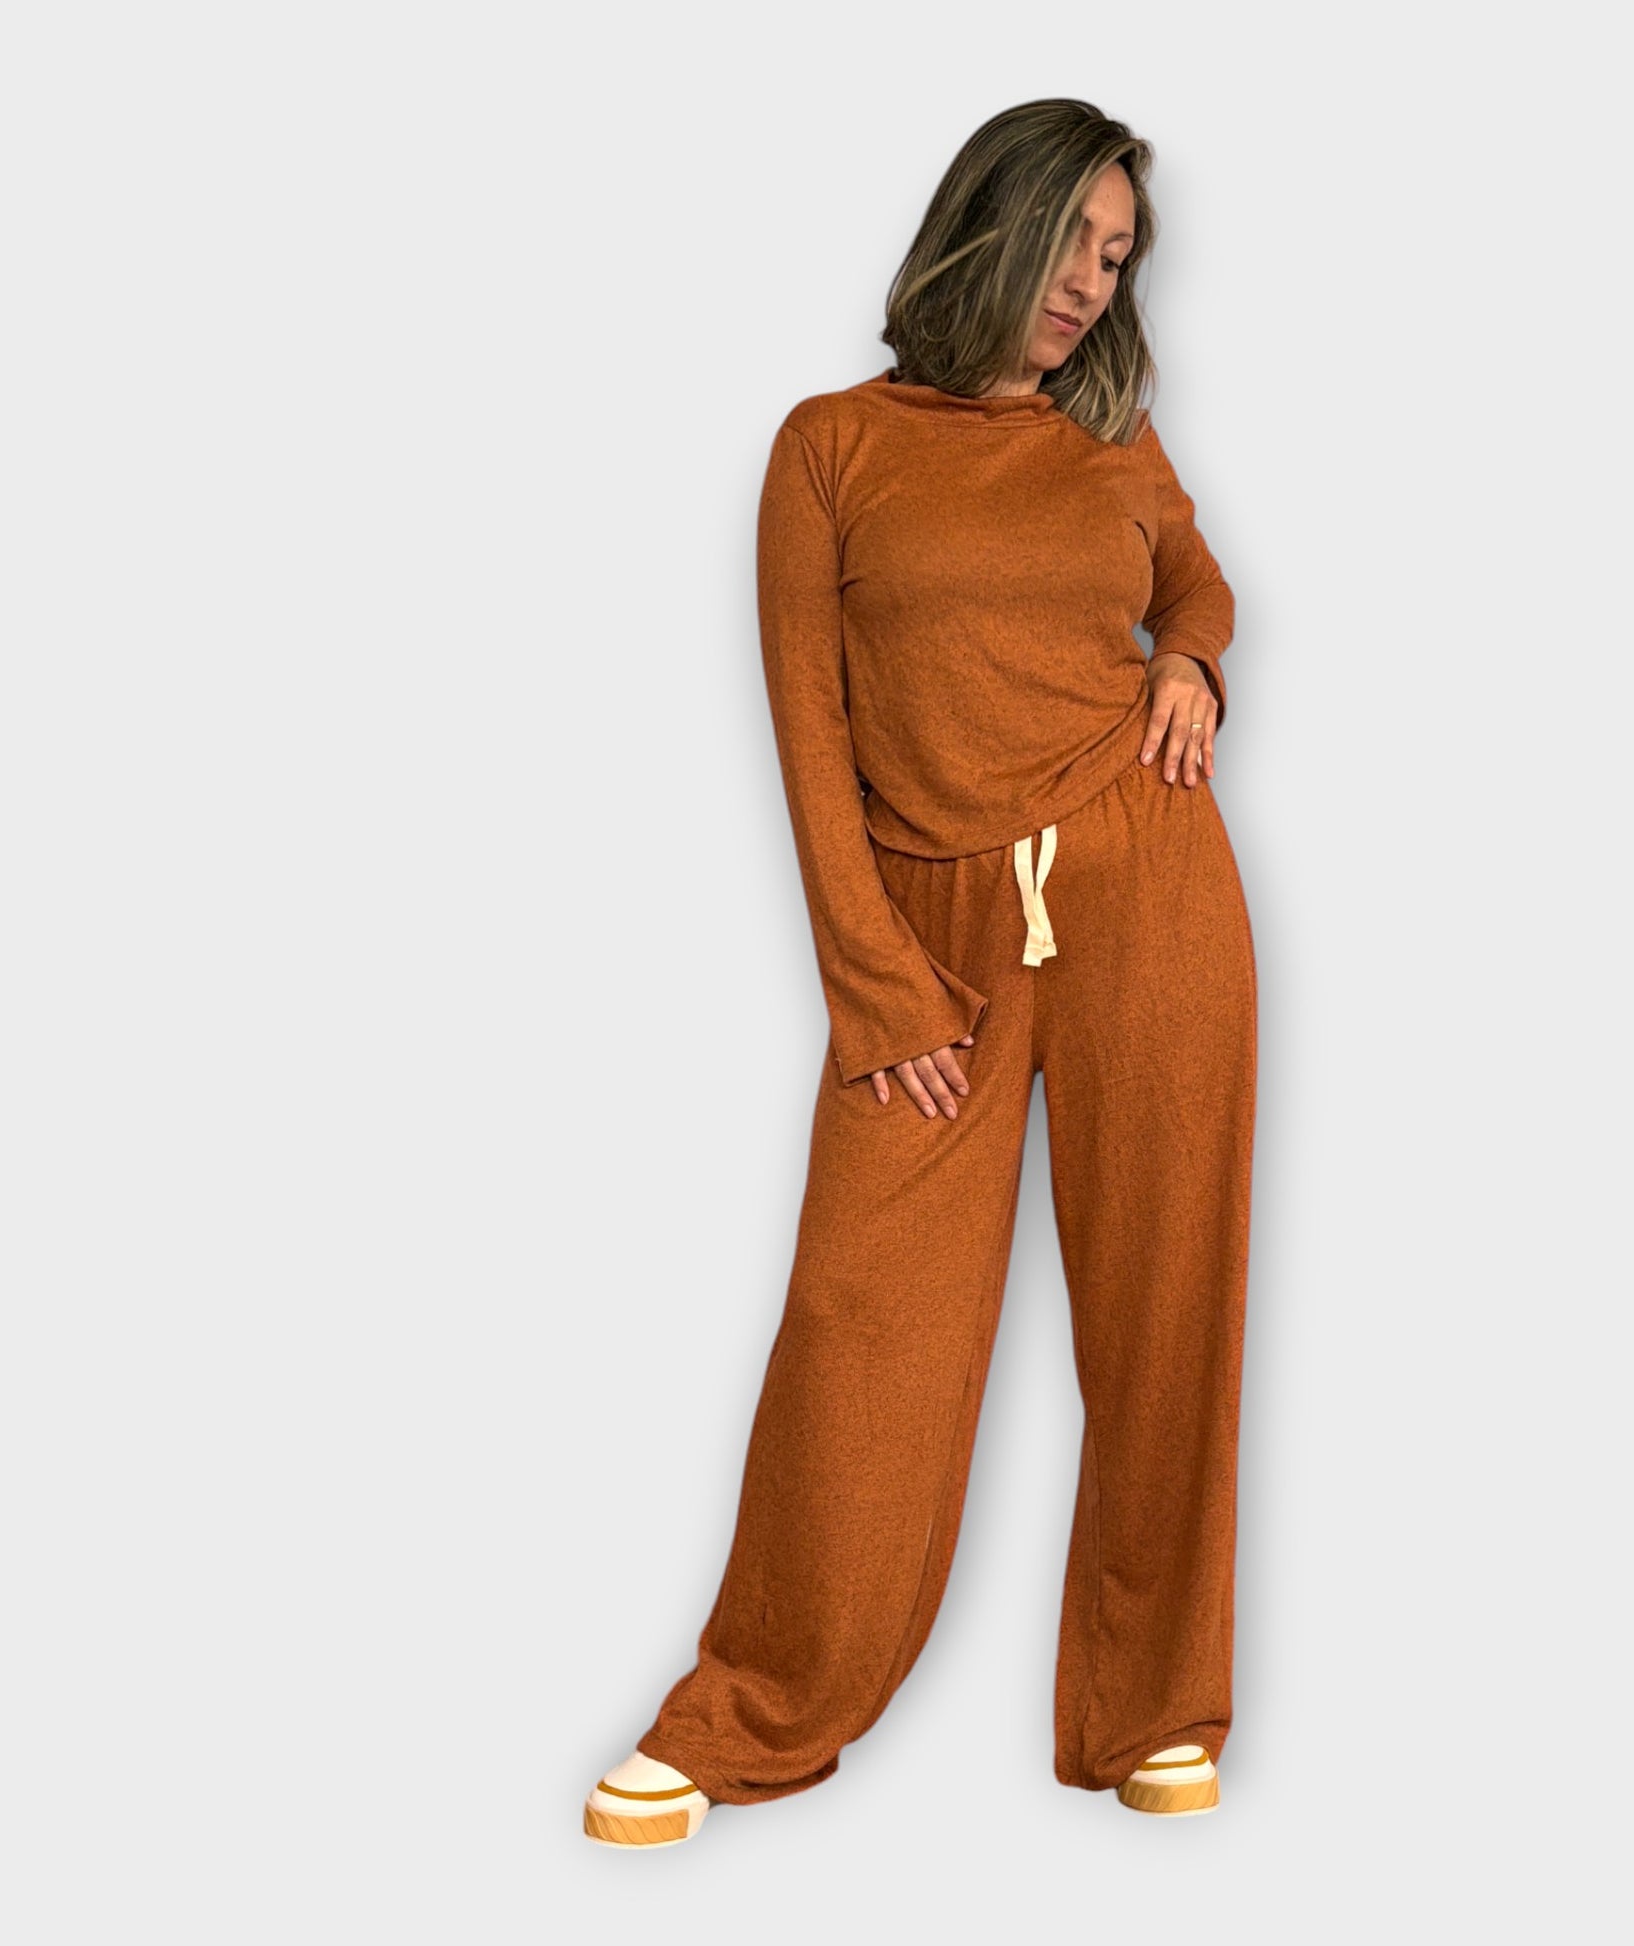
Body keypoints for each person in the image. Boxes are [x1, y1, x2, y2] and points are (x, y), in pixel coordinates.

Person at [585, 97, 1258, 1848]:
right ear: (993, 220)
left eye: (1118, 257)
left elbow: (1195, 580)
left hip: (1148, 889)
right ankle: (753, 1703)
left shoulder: (1115, 436)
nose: (1090, 283)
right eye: (1072, 242)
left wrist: (1189, 663)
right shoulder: (830, 447)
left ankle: (1157, 1706)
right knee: (863, 1326)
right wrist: (876, 990)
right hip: (929, 935)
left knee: (1165, 1306)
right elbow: (809, 740)